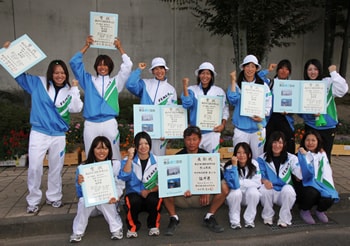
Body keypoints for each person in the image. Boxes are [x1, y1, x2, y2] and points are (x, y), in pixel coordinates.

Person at [3, 42, 84, 213]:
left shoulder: (69, 90)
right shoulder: (37, 83)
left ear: (66, 74)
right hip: (39, 132)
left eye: (62, 73)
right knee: (34, 167)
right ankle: (33, 200)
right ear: (50, 74)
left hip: (58, 135)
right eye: (56, 73)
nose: (59, 76)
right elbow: (18, 74)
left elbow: (76, 108)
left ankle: (54, 197)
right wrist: (8, 51)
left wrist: (75, 89)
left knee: (56, 167)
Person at [69, 35, 133, 160]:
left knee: (114, 154)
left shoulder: (116, 82)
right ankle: (92, 179)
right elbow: (74, 63)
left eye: (105, 65)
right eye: (100, 65)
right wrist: (86, 46)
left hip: (109, 122)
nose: (102, 67)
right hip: (91, 124)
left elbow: (128, 65)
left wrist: (120, 48)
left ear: (110, 67)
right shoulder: (88, 80)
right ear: (96, 66)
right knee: (91, 154)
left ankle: (116, 179)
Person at [163, 126, 229, 236]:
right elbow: (171, 180)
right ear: (184, 140)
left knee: (224, 187)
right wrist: (182, 188)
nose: (191, 143)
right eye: (188, 139)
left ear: (200, 140)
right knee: (164, 187)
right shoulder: (177, 157)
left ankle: (209, 216)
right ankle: (173, 217)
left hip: (203, 198)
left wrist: (206, 189)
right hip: (183, 198)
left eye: (194, 139)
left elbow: (218, 176)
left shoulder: (207, 156)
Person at [70, 136, 125, 243]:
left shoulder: (115, 164)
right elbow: (80, 193)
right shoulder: (84, 167)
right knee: (83, 201)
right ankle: (77, 231)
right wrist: (80, 183)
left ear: (109, 150)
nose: (102, 151)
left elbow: (120, 184)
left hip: (109, 201)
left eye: (105, 148)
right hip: (91, 204)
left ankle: (116, 229)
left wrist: (116, 196)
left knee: (106, 200)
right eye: (98, 148)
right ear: (93, 150)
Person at [300, 59, 348, 163]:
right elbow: (300, 109)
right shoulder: (303, 85)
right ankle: (309, 178)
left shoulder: (328, 82)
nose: (312, 72)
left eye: (315, 69)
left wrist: (334, 73)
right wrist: (309, 113)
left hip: (328, 126)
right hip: (311, 125)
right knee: (308, 156)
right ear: (306, 71)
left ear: (320, 70)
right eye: (310, 69)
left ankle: (324, 178)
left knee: (325, 157)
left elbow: (343, 89)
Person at [126, 59, 177, 156]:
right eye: (156, 69)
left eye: (161, 68)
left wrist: (168, 132)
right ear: (152, 71)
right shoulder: (145, 83)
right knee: (143, 156)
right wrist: (139, 70)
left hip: (160, 133)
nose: (159, 71)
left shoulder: (171, 89)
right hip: (145, 128)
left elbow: (173, 113)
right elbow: (130, 85)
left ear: (165, 70)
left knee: (158, 159)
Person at [227, 55, 272, 160]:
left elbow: (268, 102)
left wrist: (263, 115)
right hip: (241, 129)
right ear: (243, 67)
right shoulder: (237, 85)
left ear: (256, 68)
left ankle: (257, 176)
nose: (250, 69)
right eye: (247, 66)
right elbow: (232, 100)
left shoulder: (263, 86)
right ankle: (239, 176)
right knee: (239, 158)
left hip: (258, 129)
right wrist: (233, 81)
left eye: (253, 66)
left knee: (258, 158)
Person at [118, 131, 162, 238]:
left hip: (150, 193)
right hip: (134, 194)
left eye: (146, 143)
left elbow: (162, 183)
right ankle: (132, 227)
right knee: (132, 200)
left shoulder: (157, 161)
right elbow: (124, 176)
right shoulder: (128, 160)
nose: (143, 147)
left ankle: (153, 225)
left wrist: (149, 191)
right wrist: (129, 158)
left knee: (156, 199)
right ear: (136, 146)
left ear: (150, 145)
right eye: (140, 144)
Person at [181, 62, 229, 153]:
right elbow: (187, 104)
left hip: (212, 133)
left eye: (208, 73)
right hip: (194, 134)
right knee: (194, 161)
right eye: (202, 73)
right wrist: (185, 87)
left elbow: (225, 110)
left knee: (210, 161)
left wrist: (222, 125)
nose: (205, 76)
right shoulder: (191, 89)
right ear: (199, 75)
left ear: (211, 76)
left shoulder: (219, 91)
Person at [257, 131, 302, 227]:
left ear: (284, 144)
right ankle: (268, 216)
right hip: (271, 191)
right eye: (275, 142)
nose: (277, 145)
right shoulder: (261, 158)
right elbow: (260, 175)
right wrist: (265, 181)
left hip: (283, 193)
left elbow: (299, 174)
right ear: (270, 143)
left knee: (289, 190)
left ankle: (284, 219)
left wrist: (305, 157)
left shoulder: (291, 158)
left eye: (280, 142)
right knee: (264, 189)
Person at [296, 130, 339, 224]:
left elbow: (327, 171)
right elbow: (299, 174)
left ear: (318, 142)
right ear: (304, 141)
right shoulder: (299, 154)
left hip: (320, 182)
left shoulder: (322, 155)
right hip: (304, 183)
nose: (310, 143)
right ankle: (304, 210)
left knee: (330, 195)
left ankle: (320, 211)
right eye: (308, 140)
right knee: (312, 192)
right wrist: (305, 156)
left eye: (313, 140)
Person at [259, 59, 296, 154]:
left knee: (288, 144)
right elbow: (258, 76)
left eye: (286, 69)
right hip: (271, 118)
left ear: (290, 72)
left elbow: (296, 104)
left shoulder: (294, 86)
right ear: (277, 70)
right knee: (269, 143)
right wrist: (268, 70)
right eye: (281, 68)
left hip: (286, 118)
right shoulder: (270, 83)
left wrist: (289, 111)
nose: (283, 71)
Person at [224, 142, 261, 229]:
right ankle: (235, 222)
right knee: (236, 192)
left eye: (244, 153)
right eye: (239, 153)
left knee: (254, 192)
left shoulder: (254, 163)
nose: (242, 155)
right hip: (234, 197)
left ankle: (249, 221)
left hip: (247, 197)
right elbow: (235, 185)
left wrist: (242, 182)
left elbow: (257, 182)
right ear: (235, 154)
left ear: (249, 154)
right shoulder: (229, 166)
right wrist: (234, 166)